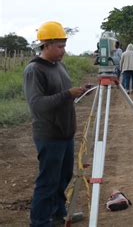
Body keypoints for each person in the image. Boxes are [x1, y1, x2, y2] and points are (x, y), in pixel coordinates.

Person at [23, 21, 86, 227]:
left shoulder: (59, 65)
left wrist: (78, 92)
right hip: (49, 135)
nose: (63, 51)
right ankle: (39, 222)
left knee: (63, 177)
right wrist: (67, 94)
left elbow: (63, 97)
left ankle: (59, 214)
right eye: (60, 46)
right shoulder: (34, 70)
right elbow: (38, 105)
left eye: (64, 46)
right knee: (48, 182)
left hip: (65, 133)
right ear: (46, 45)